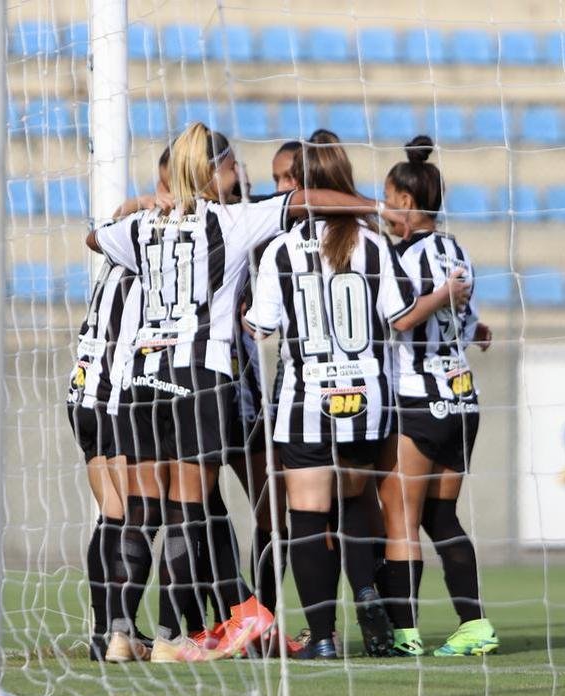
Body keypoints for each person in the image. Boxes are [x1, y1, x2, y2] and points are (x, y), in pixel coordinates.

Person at [87, 122, 406, 662]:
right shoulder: (233, 221)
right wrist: (373, 204)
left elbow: (95, 236)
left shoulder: (144, 226)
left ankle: (121, 632)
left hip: (142, 379)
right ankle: (207, 625)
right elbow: (303, 201)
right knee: (196, 509)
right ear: (212, 173)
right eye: (233, 166)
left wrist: (151, 204)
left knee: (147, 508)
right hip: (202, 378)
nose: (242, 175)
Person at [244, 132, 472, 659]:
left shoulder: (281, 250)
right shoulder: (372, 243)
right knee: (356, 505)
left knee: (306, 515)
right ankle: (367, 592)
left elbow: (261, 328)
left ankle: (322, 637)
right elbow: (398, 318)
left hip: (305, 402)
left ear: (302, 188)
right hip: (365, 402)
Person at [376, 135, 497, 657]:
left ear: (405, 202)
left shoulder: (401, 258)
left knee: (399, 518)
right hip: (462, 399)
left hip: (417, 398)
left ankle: (405, 633)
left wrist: (435, 303)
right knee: (440, 518)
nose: (381, 209)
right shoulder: (456, 249)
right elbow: (463, 320)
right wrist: (474, 325)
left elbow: (403, 317)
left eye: (385, 199)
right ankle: (475, 625)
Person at [65, 259, 134, 661]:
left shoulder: (112, 262)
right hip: (111, 396)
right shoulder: (147, 262)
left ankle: (104, 630)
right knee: (130, 515)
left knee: (112, 512)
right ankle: (115, 630)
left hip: (81, 389)